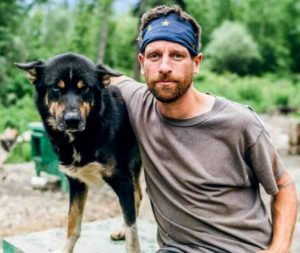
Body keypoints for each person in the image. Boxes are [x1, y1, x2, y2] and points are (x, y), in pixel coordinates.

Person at [111, 5, 298, 253]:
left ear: (196, 63)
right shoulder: (139, 103)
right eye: (155, 56)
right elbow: (105, 76)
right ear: (142, 63)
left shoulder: (239, 123)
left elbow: (284, 186)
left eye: (177, 55)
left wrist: (279, 249)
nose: (164, 66)